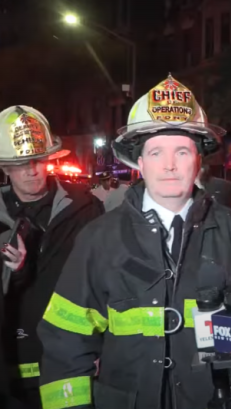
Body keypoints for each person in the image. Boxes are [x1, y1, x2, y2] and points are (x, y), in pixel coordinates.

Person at [37, 74, 231, 409]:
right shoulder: (99, 239)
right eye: (156, 152)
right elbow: (64, 343)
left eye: (182, 151)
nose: (169, 165)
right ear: (139, 162)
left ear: (199, 160)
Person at [0, 105, 105, 409]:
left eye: (38, 160)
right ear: (5, 168)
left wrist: (101, 348)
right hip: (11, 366)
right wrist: (16, 271)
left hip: (71, 359)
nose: (32, 170)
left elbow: (101, 281)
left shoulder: (86, 208)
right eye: (21, 164)